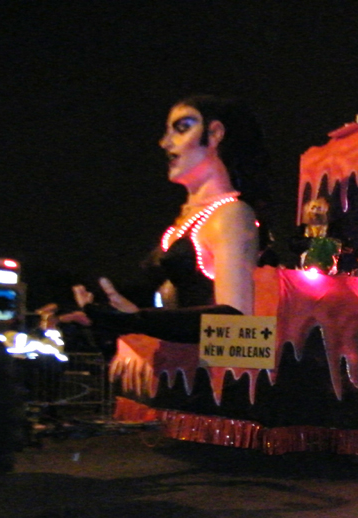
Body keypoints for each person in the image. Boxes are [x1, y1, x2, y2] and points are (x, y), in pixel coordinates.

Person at [70, 95, 269, 343]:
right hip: (184, 368)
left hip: (212, 374)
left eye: (182, 128)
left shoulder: (231, 214)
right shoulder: (192, 219)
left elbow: (237, 321)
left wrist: (139, 320)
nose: (165, 143)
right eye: (167, 132)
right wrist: (123, 317)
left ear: (216, 133)